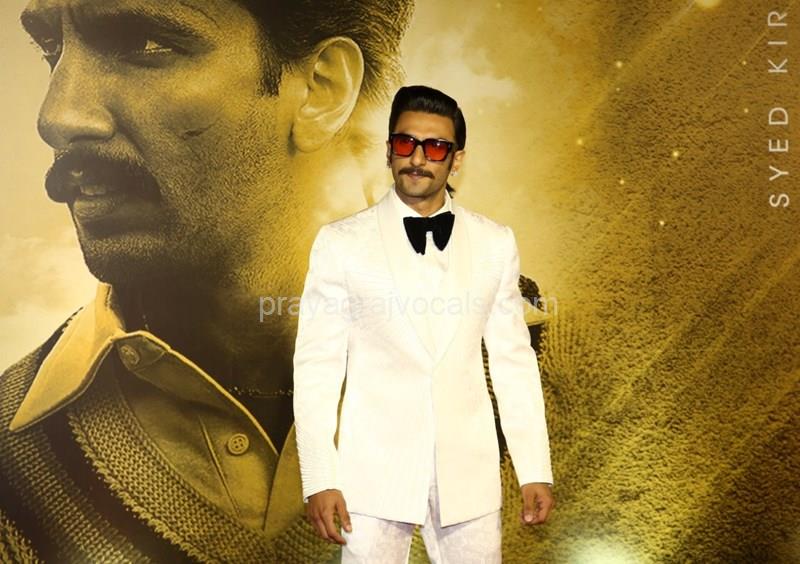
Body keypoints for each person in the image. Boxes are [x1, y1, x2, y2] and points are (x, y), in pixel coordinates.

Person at [0, 1, 414, 562]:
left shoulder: (527, 386)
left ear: (322, 89)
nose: (58, 116)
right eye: (52, 49)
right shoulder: (13, 475)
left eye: (144, 44)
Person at [293, 85, 556, 563]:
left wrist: (534, 468)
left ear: (456, 160)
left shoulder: (495, 243)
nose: (417, 158)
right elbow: (317, 368)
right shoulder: (340, 243)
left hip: (468, 476)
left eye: (435, 147)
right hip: (370, 476)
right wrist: (320, 477)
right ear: (388, 150)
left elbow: (513, 363)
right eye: (405, 143)